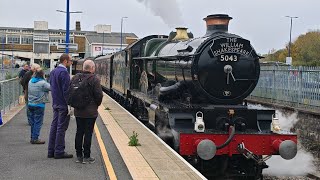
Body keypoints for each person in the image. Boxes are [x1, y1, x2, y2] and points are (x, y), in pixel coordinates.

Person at [73, 60, 103, 164]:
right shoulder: (94, 79)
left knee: (79, 132)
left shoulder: (76, 77)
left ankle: (78, 156)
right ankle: (87, 156)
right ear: (92, 68)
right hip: (90, 112)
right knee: (88, 133)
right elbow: (99, 95)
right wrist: (96, 105)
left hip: (78, 111)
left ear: (83, 68)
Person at [48, 53, 73, 159]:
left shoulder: (53, 72)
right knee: (61, 128)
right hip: (63, 104)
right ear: (65, 61)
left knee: (54, 126)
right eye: (70, 60)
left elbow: (52, 87)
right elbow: (66, 90)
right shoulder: (64, 73)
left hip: (55, 103)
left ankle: (51, 151)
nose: (72, 62)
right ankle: (59, 151)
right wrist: (69, 104)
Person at [28, 69, 50, 144]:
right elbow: (51, 87)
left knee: (33, 122)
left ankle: (32, 137)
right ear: (42, 75)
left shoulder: (30, 81)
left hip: (30, 104)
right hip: (39, 105)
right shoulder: (43, 83)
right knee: (38, 122)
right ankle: (35, 138)